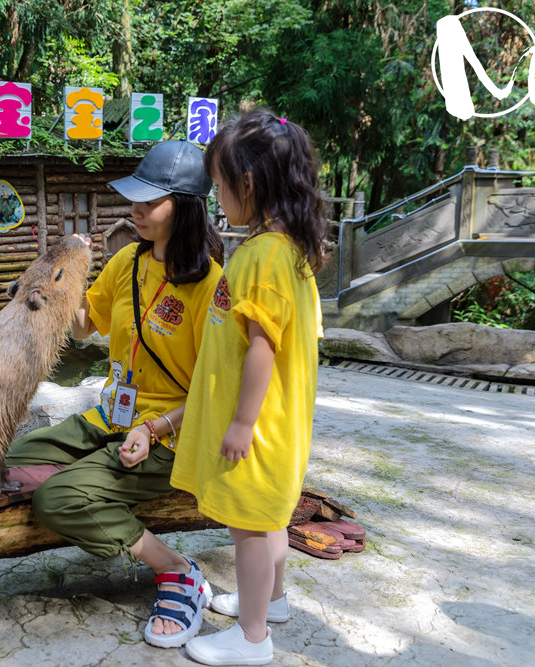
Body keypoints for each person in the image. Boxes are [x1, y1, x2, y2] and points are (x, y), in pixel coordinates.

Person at [5, 139, 225, 648]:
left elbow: (217, 393)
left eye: (151, 202)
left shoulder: (213, 287)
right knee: (14, 460)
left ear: (186, 207)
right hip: (111, 417)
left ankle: (177, 571)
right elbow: (85, 325)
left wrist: (154, 428)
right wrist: (51, 288)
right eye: (135, 199)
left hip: (169, 436)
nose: (136, 210)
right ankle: (101, 493)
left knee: (54, 497)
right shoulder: (128, 260)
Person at [171, 110, 328, 665]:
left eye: (218, 185)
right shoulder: (292, 253)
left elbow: (263, 346)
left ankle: (253, 638)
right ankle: (273, 599)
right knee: (269, 519)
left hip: (258, 429)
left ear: (249, 184)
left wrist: (240, 422)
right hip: (281, 425)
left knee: (249, 530)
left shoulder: (261, 256)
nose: (217, 198)